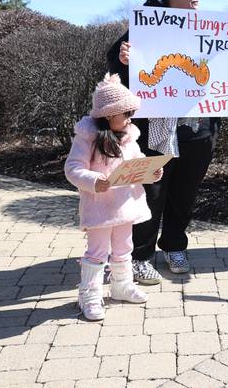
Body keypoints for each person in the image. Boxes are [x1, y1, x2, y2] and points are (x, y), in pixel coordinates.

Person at [106, 0, 218, 283]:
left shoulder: (210, 28)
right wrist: (124, 61)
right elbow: (115, 64)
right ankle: (140, 255)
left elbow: (224, 65)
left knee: (185, 193)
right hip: (158, 130)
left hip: (198, 128)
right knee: (151, 193)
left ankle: (173, 245)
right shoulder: (147, 25)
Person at [64, 74, 162, 321]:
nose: (130, 119)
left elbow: (137, 160)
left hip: (125, 205)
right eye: (125, 114)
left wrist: (151, 171)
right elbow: (73, 168)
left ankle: (121, 285)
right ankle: (89, 294)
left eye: (131, 114)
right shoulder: (87, 136)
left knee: (124, 247)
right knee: (97, 251)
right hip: (99, 206)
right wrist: (95, 181)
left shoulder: (129, 135)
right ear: (109, 115)